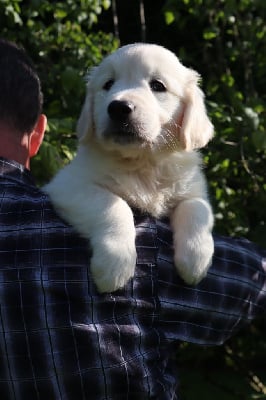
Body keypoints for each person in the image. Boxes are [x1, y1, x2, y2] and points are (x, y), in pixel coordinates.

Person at [0, 38, 265, 400]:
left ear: (189, 113)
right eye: (108, 84)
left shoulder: (183, 173)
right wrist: (115, 225)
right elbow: (65, 193)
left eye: (157, 86)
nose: (121, 100)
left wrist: (195, 228)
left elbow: (192, 200)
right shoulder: (87, 173)